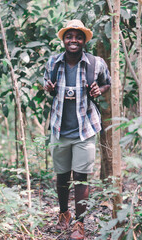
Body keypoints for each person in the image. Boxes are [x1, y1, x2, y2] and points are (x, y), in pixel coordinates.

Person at [44, 19, 111, 240]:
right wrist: (49, 88)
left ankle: (79, 224)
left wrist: (98, 90)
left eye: (78, 37)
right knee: (62, 176)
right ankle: (64, 213)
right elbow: (48, 87)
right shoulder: (53, 62)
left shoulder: (95, 63)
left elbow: (106, 83)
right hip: (59, 128)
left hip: (86, 129)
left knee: (81, 178)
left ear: (84, 40)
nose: (74, 40)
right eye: (69, 36)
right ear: (64, 39)